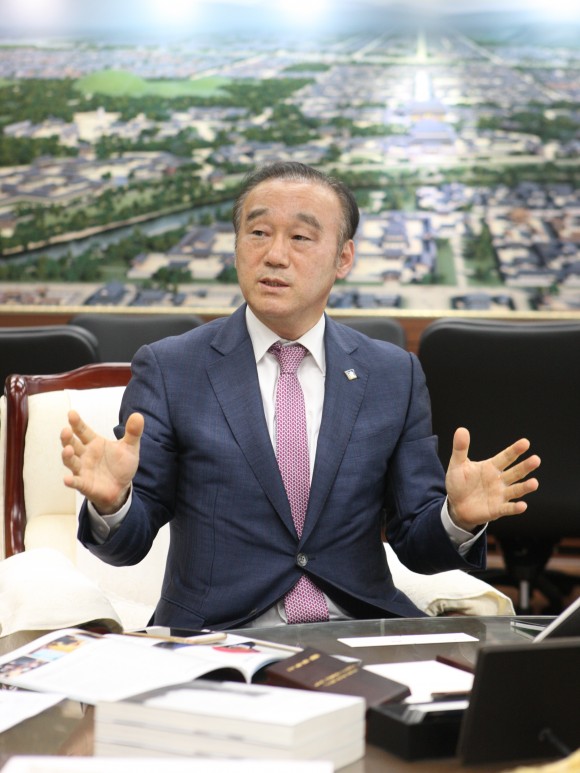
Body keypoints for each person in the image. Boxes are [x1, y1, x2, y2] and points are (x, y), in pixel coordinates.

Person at [60, 161, 541, 630]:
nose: (274, 255)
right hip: (219, 636)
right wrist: (113, 504)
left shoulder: (392, 374)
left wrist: (456, 518)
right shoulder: (172, 368)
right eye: (258, 232)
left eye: (301, 237)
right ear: (235, 247)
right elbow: (128, 545)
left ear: (343, 258)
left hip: (358, 628)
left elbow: (418, 544)